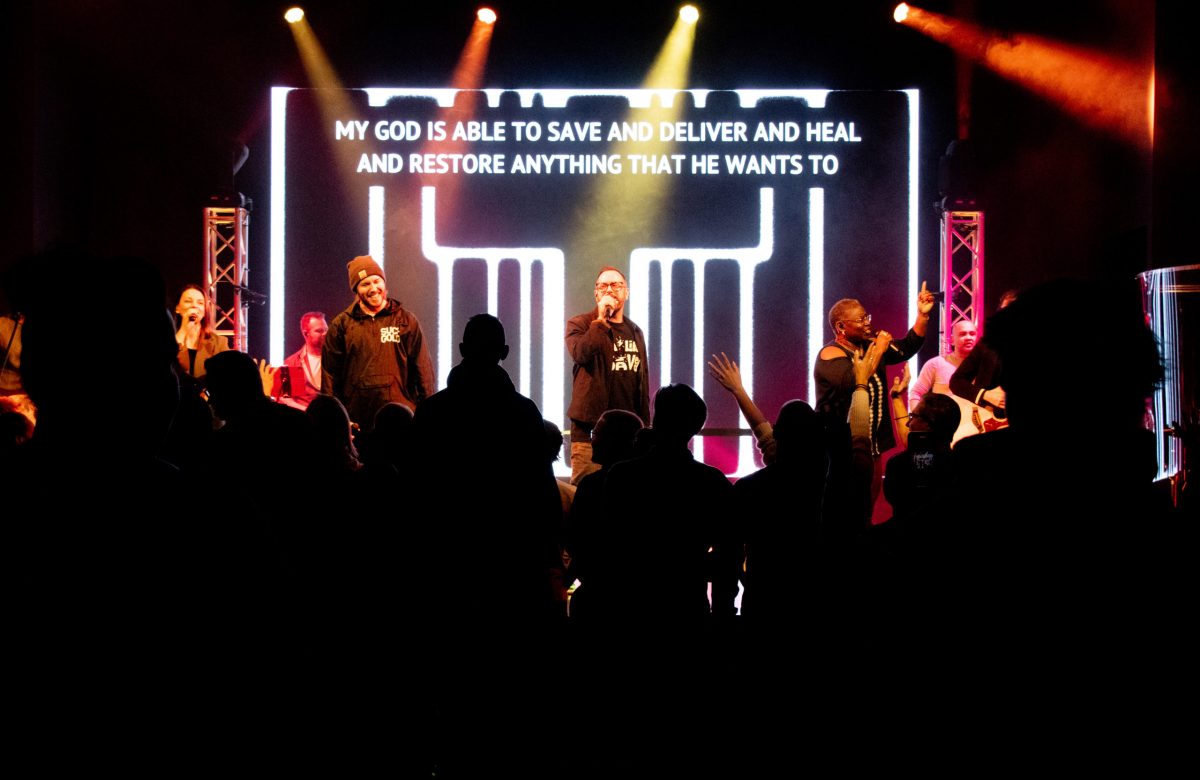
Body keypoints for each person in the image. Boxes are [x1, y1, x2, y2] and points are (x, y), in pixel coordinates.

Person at [322, 255, 434, 432]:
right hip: (358, 424)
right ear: (356, 290)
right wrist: (336, 421)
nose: (374, 288)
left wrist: (427, 416)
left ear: (384, 283)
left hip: (402, 421)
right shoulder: (341, 326)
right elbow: (330, 376)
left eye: (377, 281)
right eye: (365, 284)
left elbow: (423, 371)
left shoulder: (406, 321)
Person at [565, 266, 651, 484]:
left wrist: (646, 431)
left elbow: (642, 383)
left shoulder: (635, 331)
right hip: (590, 436)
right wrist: (600, 323)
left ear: (626, 292)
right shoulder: (580, 324)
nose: (609, 290)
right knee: (585, 498)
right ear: (596, 293)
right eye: (603, 286)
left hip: (629, 438)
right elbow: (581, 354)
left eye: (616, 285)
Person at [908, 319, 977, 409]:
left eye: (972, 334)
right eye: (962, 334)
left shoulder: (985, 366)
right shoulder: (936, 364)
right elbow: (916, 393)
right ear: (952, 340)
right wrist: (919, 418)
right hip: (947, 421)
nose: (968, 337)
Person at [174, 284, 228, 383]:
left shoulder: (219, 343)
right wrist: (183, 330)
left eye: (200, 303)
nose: (194, 306)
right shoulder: (166, 339)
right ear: (177, 308)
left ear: (204, 310)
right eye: (188, 301)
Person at [280, 311, 328, 410]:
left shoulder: (336, 359)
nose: (325, 334)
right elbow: (283, 398)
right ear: (306, 334)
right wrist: (307, 411)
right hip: (305, 421)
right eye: (319, 331)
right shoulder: (291, 362)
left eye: (326, 330)